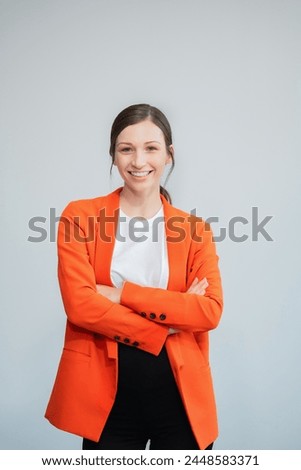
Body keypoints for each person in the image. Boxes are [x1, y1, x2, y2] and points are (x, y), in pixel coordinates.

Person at [45, 103, 223, 450]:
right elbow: (81, 306)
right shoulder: (79, 217)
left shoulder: (195, 230)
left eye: (151, 148)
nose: (138, 161)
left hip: (182, 401)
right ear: (113, 156)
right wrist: (168, 320)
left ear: (169, 155)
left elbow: (209, 311)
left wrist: (121, 294)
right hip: (106, 401)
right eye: (126, 149)